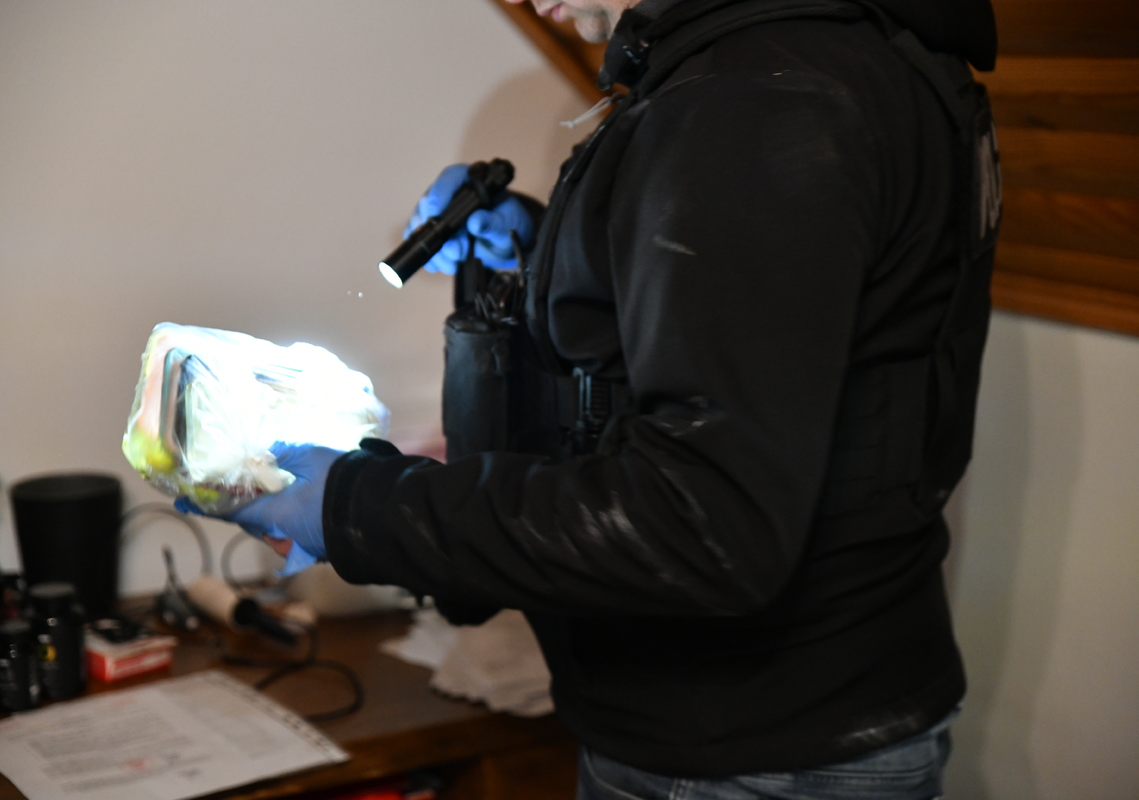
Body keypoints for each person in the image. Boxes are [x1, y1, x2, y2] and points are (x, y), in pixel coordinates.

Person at [182, 0, 1001, 797]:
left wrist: (352, 506)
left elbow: (698, 524)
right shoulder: (825, 60)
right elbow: (777, 332)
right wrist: (548, 254)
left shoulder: (756, 101)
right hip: (801, 710)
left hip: (743, 749)